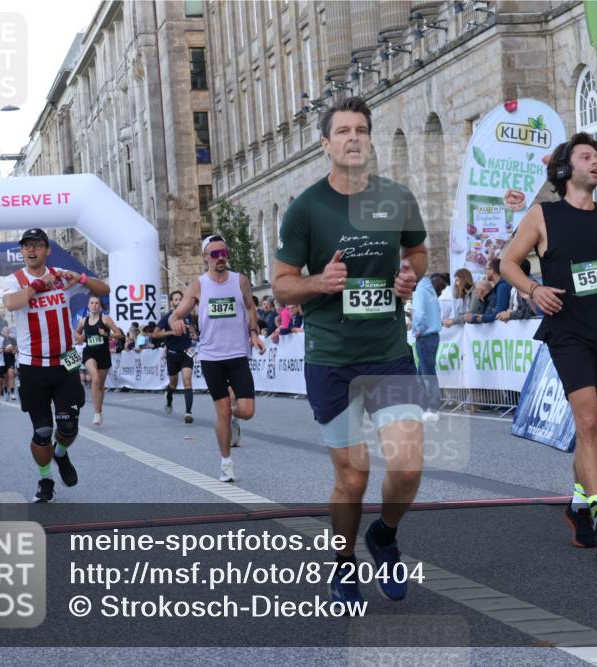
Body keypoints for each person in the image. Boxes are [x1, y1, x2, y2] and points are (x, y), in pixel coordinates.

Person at [272, 96, 427, 604]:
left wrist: (411, 274)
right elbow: (280, 287)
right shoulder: (306, 208)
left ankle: (383, 534)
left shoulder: (395, 197)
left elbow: (418, 252)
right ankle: (343, 562)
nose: (354, 137)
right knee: (354, 475)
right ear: (326, 143)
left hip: (388, 351)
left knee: (407, 467)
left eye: (361, 129)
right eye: (343, 131)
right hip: (331, 359)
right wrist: (319, 282)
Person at [499, 131, 597, 556]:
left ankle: (577, 504)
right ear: (566, 169)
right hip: (566, 330)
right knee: (586, 422)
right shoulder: (542, 216)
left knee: (596, 428)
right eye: (587, 156)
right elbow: (507, 263)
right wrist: (533, 290)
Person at [1, 228, 110, 503]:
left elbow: (104, 290)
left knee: (69, 427)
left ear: (47, 250)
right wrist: (38, 286)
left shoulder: (61, 275)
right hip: (31, 363)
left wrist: (82, 278)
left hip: (66, 360)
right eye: (27, 246)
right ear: (22, 251)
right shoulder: (14, 280)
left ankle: (61, 454)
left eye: (37, 245)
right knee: (42, 432)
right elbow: (11, 303)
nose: (32, 250)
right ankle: (45, 478)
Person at [169, 234, 265, 482]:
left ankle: (234, 417)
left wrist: (253, 333)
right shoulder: (198, 285)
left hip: (238, 354)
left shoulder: (240, 281)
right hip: (211, 357)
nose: (220, 258)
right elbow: (176, 314)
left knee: (247, 410)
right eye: (214, 254)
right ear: (205, 257)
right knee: (221, 411)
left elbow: (250, 307)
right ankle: (226, 463)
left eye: (223, 253)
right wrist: (176, 321)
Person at [75, 295, 123, 426]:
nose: (94, 305)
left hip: (103, 354)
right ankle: (96, 412)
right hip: (89, 353)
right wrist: (80, 338)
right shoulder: (83, 321)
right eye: (92, 303)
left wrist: (107, 334)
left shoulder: (105, 319)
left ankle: (99, 410)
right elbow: (76, 333)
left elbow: (119, 334)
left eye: (97, 303)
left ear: (100, 306)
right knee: (95, 379)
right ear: (88, 306)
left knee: (100, 386)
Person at [154, 290, 197, 422]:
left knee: (187, 381)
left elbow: (193, 331)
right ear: (171, 302)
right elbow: (155, 334)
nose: (178, 302)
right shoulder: (167, 317)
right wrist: (171, 332)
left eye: (180, 299)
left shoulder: (188, 316)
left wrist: (192, 332)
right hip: (172, 355)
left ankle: (188, 412)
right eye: (175, 300)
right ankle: (169, 398)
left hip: (186, 353)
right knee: (173, 384)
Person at [412, 272, 445, 421]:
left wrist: (418, 328)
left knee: (426, 374)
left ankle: (432, 408)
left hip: (424, 335)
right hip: (432, 334)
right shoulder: (429, 289)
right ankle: (424, 407)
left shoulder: (420, 290)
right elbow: (437, 311)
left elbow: (419, 313)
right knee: (422, 374)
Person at [2, 326, 18, 402]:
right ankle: (5, 391)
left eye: (7, 332)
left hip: (11, 360)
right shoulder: (0, 340)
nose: (6, 334)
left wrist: (13, 350)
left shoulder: (12, 340)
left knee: (11, 374)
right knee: (5, 377)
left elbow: (15, 350)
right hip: (2, 360)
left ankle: (12, 392)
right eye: (5, 332)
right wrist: (5, 350)